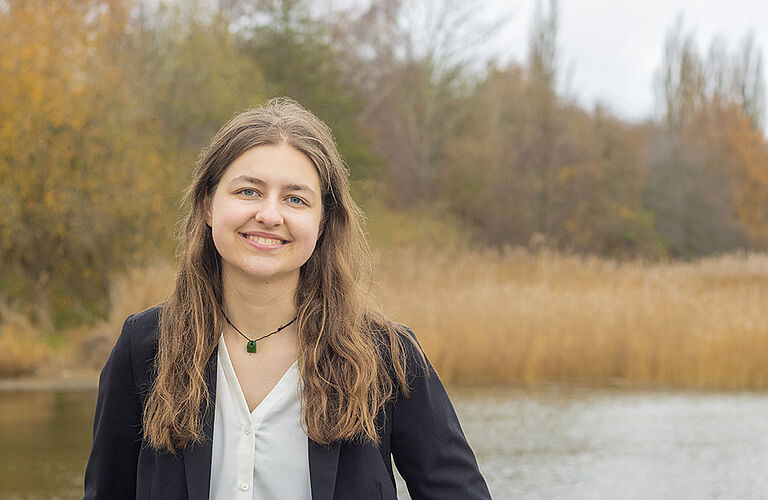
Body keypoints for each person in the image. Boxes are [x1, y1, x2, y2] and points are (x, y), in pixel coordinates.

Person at [83, 97, 491, 500]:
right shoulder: (144, 348)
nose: (270, 215)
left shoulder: (387, 357)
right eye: (248, 191)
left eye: (295, 199)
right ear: (208, 204)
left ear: (323, 221)